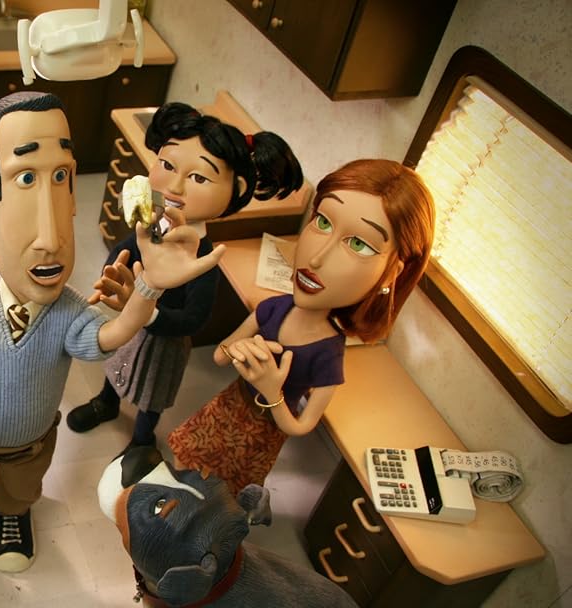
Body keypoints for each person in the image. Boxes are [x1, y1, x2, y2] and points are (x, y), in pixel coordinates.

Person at [0, 91, 226, 584]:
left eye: (60, 176)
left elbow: (111, 336)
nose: (49, 239)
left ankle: (10, 513)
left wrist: (149, 286)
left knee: (19, 489)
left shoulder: (68, 311)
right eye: (25, 177)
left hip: (29, 442)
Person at [168, 159, 435, 494]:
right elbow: (220, 355)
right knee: (187, 458)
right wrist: (236, 351)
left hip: (262, 433)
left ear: (392, 273)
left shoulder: (327, 354)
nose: (317, 257)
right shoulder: (274, 308)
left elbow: (300, 426)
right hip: (226, 407)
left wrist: (272, 392)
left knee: (225, 492)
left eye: (358, 244)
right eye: (323, 221)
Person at [67, 101, 304, 453]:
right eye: (167, 165)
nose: (175, 186)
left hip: (166, 342)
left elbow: (195, 318)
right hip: (131, 325)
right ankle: (107, 402)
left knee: (153, 391)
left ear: (237, 189)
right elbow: (127, 248)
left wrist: (150, 313)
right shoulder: (154, 221)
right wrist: (115, 270)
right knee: (117, 363)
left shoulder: (204, 258)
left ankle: (142, 439)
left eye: (199, 178)